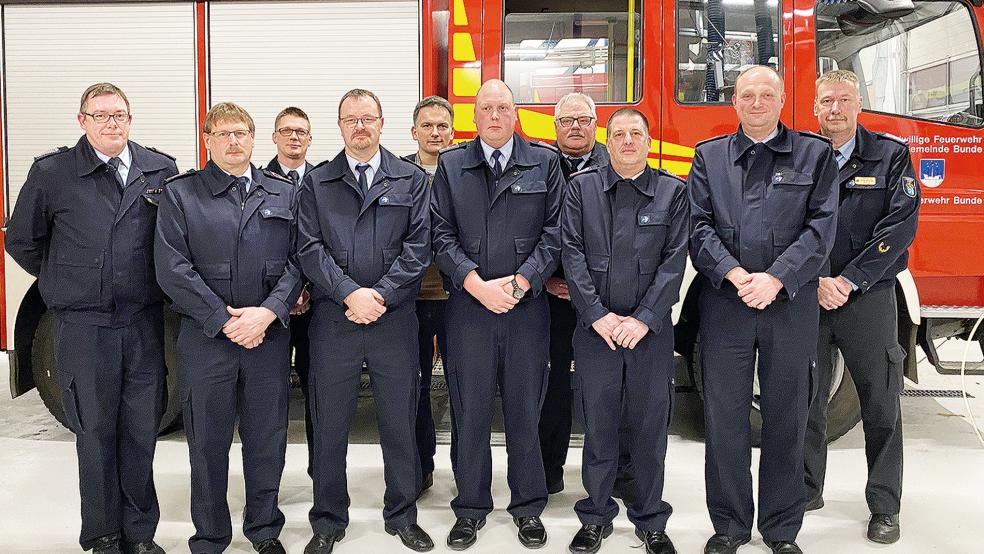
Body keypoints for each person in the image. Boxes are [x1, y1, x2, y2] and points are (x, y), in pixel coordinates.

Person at [6, 83, 177, 554]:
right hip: (85, 327)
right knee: (96, 432)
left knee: (142, 431)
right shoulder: (53, 173)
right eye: (100, 115)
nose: (111, 123)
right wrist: (68, 278)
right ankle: (103, 535)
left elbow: (173, 239)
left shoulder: (158, 169)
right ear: (81, 121)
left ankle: (140, 535)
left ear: (130, 118)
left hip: (143, 324)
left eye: (119, 114)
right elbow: (22, 240)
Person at [687, 65, 838, 554]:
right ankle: (729, 526)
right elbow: (698, 226)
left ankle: (781, 530)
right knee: (725, 418)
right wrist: (734, 274)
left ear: (782, 99)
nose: (756, 102)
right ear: (734, 101)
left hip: (789, 306)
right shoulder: (709, 157)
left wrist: (776, 277)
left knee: (787, 418)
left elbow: (821, 229)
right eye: (746, 95)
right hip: (727, 305)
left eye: (765, 94)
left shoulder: (815, 155)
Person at [155, 102, 302, 554]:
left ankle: (264, 530)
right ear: (208, 140)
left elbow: (302, 259)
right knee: (207, 443)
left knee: (267, 440)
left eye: (240, 132)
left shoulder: (284, 192)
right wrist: (223, 320)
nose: (233, 141)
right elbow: (172, 267)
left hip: (268, 338)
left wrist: (268, 312)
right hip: (206, 341)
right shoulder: (181, 195)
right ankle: (211, 535)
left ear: (254, 138)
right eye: (222, 134)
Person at [298, 88, 434, 554]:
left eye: (368, 118)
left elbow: (419, 248)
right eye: (351, 119)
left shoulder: (410, 180)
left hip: (393, 320)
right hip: (335, 319)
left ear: (382, 123)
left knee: (400, 422)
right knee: (330, 424)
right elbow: (308, 248)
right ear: (340, 126)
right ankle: (328, 519)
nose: (361, 126)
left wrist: (379, 295)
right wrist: (348, 293)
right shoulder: (317, 182)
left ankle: (402, 515)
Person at [431, 79, 563, 550]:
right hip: (469, 310)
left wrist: (519, 282)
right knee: (469, 410)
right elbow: (440, 235)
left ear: (515, 114)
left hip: (526, 309)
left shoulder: (544, 163)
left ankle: (527, 507)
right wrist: (475, 283)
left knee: (526, 409)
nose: (494, 116)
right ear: (474, 115)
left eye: (502, 107)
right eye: (485, 108)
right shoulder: (451, 166)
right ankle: (470, 507)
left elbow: (556, 234)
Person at [562, 108, 688, 554]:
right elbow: (571, 254)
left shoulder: (673, 192)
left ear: (649, 141)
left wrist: (644, 318)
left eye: (636, 133)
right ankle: (595, 516)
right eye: (619, 134)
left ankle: (651, 518)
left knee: (650, 427)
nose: (628, 141)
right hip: (595, 332)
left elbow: (675, 263)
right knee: (598, 426)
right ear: (607, 141)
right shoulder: (581, 190)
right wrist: (596, 315)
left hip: (650, 334)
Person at [804, 69, 919, 544]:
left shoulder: (891, 156)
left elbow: (899, 230)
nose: (835, 109)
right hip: (807, 295)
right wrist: (812, 279)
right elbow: (783, 225)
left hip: (866, 297)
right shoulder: (801, 156)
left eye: (844, 100)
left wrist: (847, 280)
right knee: (804, 398)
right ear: (814, 107)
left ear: (858, 105)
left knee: (880, 401)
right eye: (827, 101)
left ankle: (884, 505)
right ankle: (806, 490)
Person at [540, 92, 614, 497]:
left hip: (602, 304)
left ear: (595, 124)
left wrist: (595, 291)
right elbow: (532, 229)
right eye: (566, 120)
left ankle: (608, 480)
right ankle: (549, 472)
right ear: (555, 127)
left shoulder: (617, 163)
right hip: (549, 299)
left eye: (583, 120)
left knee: (602, 390)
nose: (574, 127)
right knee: (549, 389)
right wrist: (544, 280)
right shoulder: (538, 165)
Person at [402, 95, 455, 492]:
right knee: (413, 388)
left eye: (442, 126)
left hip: (458, 301)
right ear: (414, 131)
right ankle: (419, 469)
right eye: (428, 125)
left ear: (452, 132)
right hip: (409, 300)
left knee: (463, 388)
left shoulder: (466, 169)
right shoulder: (398, 174)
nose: (435, 132)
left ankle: (466, 474)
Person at [264, 106, 316, 477]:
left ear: (310, 139)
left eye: (301, 132)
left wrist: (307, 288)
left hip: (316, 306)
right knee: (272, 398)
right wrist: (285, 294)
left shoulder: (324, 180)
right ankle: (271, 476)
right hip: (273, 308)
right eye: (287, 131)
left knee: (318, 394)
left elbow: (324, 243)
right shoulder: (257, 180)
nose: (294, 137)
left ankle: (320, 472)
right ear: (274, 138)